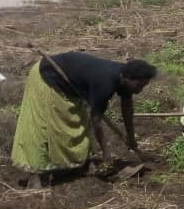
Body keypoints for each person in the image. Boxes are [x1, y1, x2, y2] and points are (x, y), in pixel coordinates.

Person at [11, 53, 157, 189]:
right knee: (47, 128)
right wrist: (107, 154)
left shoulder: (124, 77)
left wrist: (132, 140)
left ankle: (79, 166)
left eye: (143, 86)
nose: (141, 90)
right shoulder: (105, 83)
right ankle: (38, 174)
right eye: (139, 86)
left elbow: (127, 110)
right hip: (47, 77)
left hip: (70, 85)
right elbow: (97, 122)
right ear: (127, 78)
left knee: (78, 124)